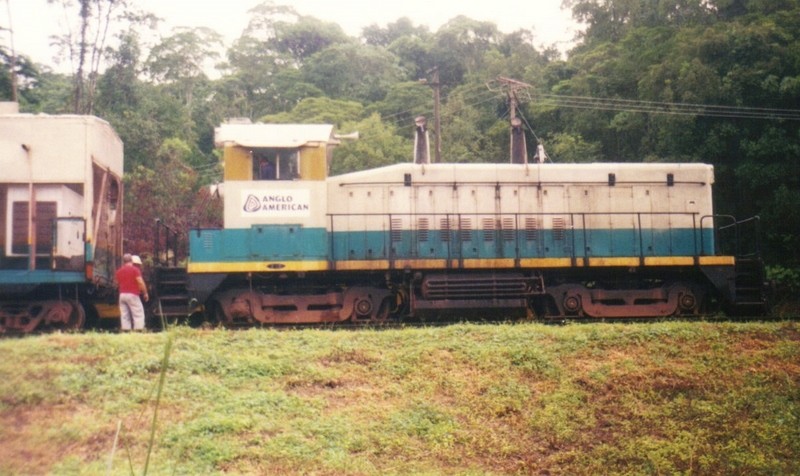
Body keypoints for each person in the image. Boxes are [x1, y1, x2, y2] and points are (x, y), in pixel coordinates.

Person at [115, 253, 149, 331]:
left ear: (124, 261)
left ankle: (126, 330)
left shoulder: (119, 271)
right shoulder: (135, 270)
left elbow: (117, 283)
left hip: (122, 295)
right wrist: (145, 293)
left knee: (124, 315)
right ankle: (138, 330)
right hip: (133, 294)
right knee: (138, 313)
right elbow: (140, 282)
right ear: (131, 261)